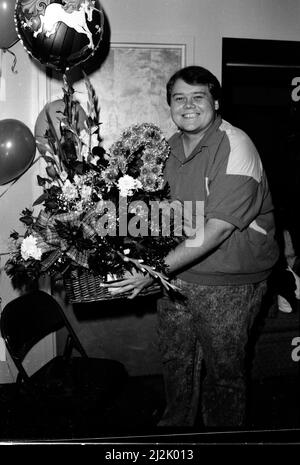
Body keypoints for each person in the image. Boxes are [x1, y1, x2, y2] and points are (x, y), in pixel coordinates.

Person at [106, 66, 280, 428]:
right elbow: (161, 214)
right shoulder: (168, 148)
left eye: (198, 97)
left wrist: (153, 271)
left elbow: (215, 231)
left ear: (215, 102)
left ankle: (221, 436)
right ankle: (176, 430)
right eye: (178, 98)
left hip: (230, 281)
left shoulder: (236, 146)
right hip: (178, 272)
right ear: (169, 104)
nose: (188, 105)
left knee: (223, 370)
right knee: (176, 359)